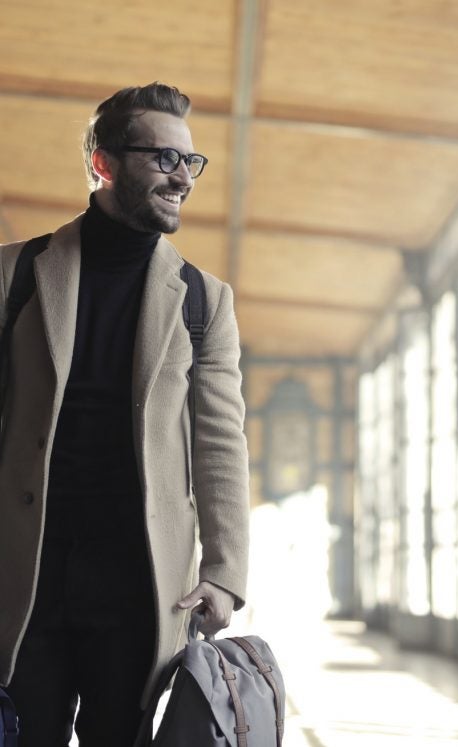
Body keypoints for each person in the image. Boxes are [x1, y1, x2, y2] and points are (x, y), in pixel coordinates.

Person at [0, 82, 250, 746]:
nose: (182, 177)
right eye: (164, 158)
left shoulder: (203, 300)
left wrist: (224, 571)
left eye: (189, 162)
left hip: (141, 583)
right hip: (24, 575)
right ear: (103, 163)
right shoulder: (16, 275)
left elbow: (221, 443)